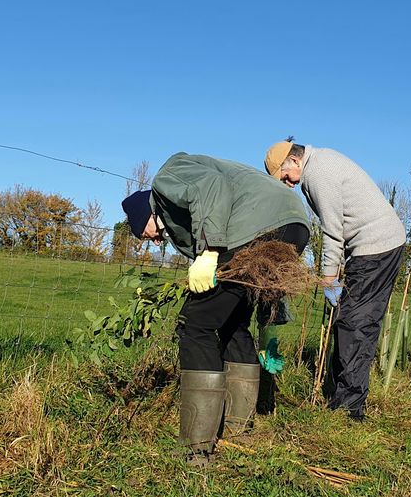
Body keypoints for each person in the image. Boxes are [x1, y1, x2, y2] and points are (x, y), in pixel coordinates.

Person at [121, 152, 309, 464]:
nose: (154, 243)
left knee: (195, 326)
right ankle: (239, 428)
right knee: (232, 322)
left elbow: (212, 185)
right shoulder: (180, 215)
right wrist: (269, 331)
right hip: (293, 225)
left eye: (147, 235)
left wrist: (209, 252)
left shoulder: (166, 177)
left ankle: (196, 449)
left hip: (255, 227)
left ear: (146, 215)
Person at [264, 141, 406, 421]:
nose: (287, 183)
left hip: (376, 247)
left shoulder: (319, 174)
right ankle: (344, 398)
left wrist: (329, 276)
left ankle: (348, 409)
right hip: (374, 247)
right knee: (353, 321)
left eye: (284, 176)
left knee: (355, 323)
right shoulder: (315, 168)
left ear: (293, 161)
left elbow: (332, 231)